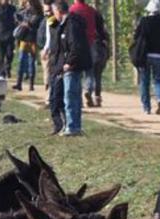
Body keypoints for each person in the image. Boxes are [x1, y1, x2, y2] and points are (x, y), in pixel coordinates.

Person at [49, 0, 89, 136]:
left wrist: (68, 62)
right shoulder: (68, 23)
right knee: (75, 97)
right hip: (74, 64)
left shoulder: (71, 24)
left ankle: (72, 127)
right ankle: (75, 126)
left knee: (70, 97)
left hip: (72, 65)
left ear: (59, 11)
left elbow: (74, 45)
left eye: (54, 12)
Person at [131, 0, 160, 114]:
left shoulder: (144, 21)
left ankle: (146, 108)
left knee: (144, 81)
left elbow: (136, 36)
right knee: (158, 80)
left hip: (145, 55)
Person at [69, 0, 106, 108]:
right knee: (90, 70)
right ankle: (88, 90)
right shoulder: (92, 11)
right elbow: (100, 28)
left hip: (76, 44)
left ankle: (79, 97)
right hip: (91, 43)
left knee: (77, 72)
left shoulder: (72, 10)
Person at [11, 1, 38, 90]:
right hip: (24, 39)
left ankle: (31, 84)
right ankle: (19, 83)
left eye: (29, 4)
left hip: (33, 40)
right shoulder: (24, 12)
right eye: (26, 4)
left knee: (31, 62)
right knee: (21, 61)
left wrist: (24, 23)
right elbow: (17, 17)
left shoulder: (38, 14)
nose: (27, 6)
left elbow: (32, 24)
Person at [0, 0, 16, 78]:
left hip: (10, 34)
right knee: (1, 55)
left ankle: (8, 68)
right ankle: (1, 71)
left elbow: (15, 20)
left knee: (9, 54)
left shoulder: (12, 9)